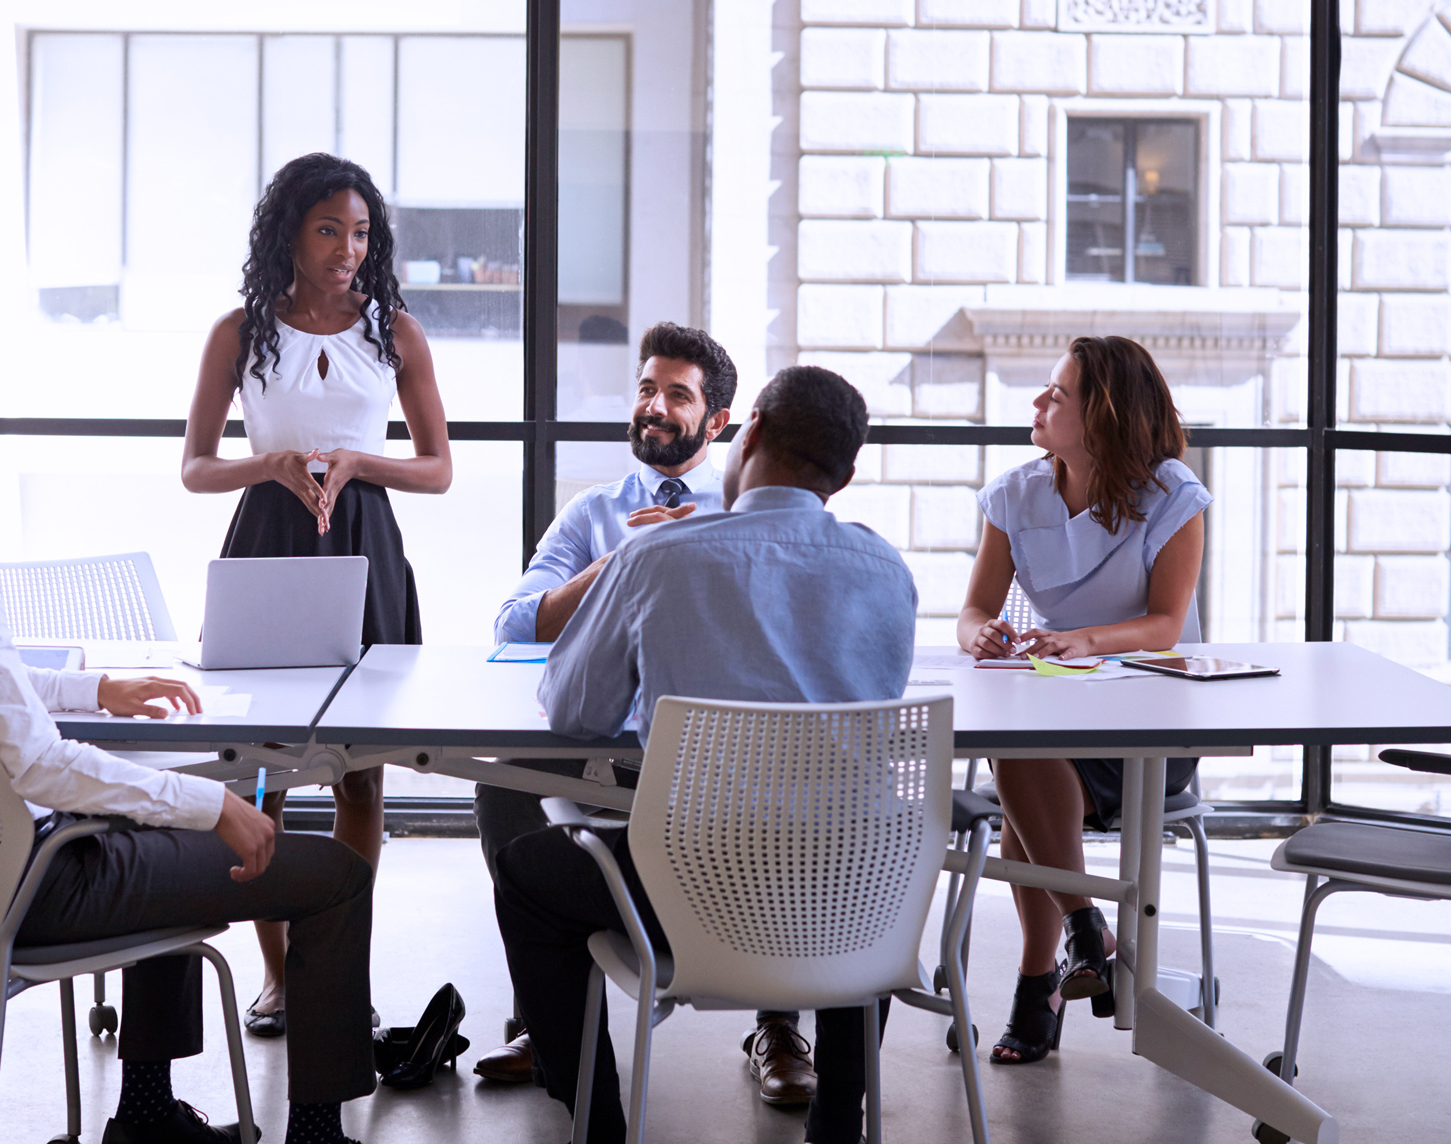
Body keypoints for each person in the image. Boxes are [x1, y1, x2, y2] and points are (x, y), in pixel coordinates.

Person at [0, 350, 376, 1144]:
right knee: (333, 874)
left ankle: (147, 1115)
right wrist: (217, 806)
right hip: (32, 888)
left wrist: (92, 690)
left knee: (155, 824)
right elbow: (40, 765)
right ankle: (315, 1134)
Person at [494, 365, 918, 1144]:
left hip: (689, 887)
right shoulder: (888, 570)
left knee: (527, 874)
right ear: (846, 475)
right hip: (851, 905)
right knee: (859, 846)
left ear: (746, 429)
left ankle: (599, 1126)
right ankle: (837, 1124)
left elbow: (573, 713)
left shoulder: (657, 558)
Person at [475, 323, 815, 1107]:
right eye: (646, 389)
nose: (654, 407)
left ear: (719, 422)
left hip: (730, 761)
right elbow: (517, 624)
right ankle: (546, 1011)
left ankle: (779, 1024)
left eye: (677, 395)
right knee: (500, 788)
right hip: (608, 747)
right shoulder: (593, 512)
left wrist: (693, 552)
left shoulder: (747, 512)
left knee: (780, 801)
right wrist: (620, 565)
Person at [181, 152, 451, 1038]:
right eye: (329, 229)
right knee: (262, 775)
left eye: (361, 232)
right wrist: (272, 463)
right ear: (290, 234)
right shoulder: (238, 331)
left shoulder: (396, 332)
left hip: (366, 543)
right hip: (269, 540)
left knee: (361, 776)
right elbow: (193, 468)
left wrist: (358, 460)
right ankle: (281, 974)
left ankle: (342, 973)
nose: (347, 249)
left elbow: (439, 469)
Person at [954, 335, 1211, 1065]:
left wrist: (1086, 640)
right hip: (1055, 712)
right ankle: (1083, 929)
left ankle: (1044, 976)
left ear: (1102, 416)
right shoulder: (1015, 494)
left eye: (1057, 395)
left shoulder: (1172, 497)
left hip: (1150, 724)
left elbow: (1165, 623)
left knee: (1023, 807)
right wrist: (984, 636)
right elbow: (972, 609)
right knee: (1023, 758)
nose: (1038, 404)